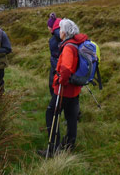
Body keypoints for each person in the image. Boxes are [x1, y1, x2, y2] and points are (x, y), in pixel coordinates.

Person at [41, 19, 87, 155]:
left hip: (64, 89)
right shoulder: (77, 43)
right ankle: (69, 145)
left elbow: (66, 69)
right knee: (71, 116)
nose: (59, 31)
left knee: (51, 114)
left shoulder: (68, 47)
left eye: (60, 29)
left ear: (65, 32)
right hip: (74, 89)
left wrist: (61, 80)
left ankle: (53, 148)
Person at [47, 13, 62, 97]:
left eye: (48, 26)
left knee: (54, 84)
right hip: (55, 62)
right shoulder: (57, 34)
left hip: (58, 64)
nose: (48, 28)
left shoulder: (58, 34)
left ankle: (55, 100)